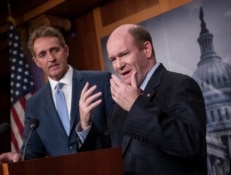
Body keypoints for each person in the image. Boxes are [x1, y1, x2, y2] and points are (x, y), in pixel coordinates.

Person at [78, 24, 207, 175]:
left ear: (147, 50)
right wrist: (86, 126)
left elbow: (190, 144)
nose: (118, 65)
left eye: (124, 54)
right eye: (113, 59)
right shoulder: (120, 105)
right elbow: (110, 156)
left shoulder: (180, 85)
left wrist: (136, 106)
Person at [0, 26, 113, 162]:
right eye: (43, 54)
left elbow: (118, 134)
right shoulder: (34, 104)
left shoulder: (100, 81)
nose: (51, 58)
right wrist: (18, 157)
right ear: (37, 62)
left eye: (55, 50)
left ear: (66, 51)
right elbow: (32, 153)